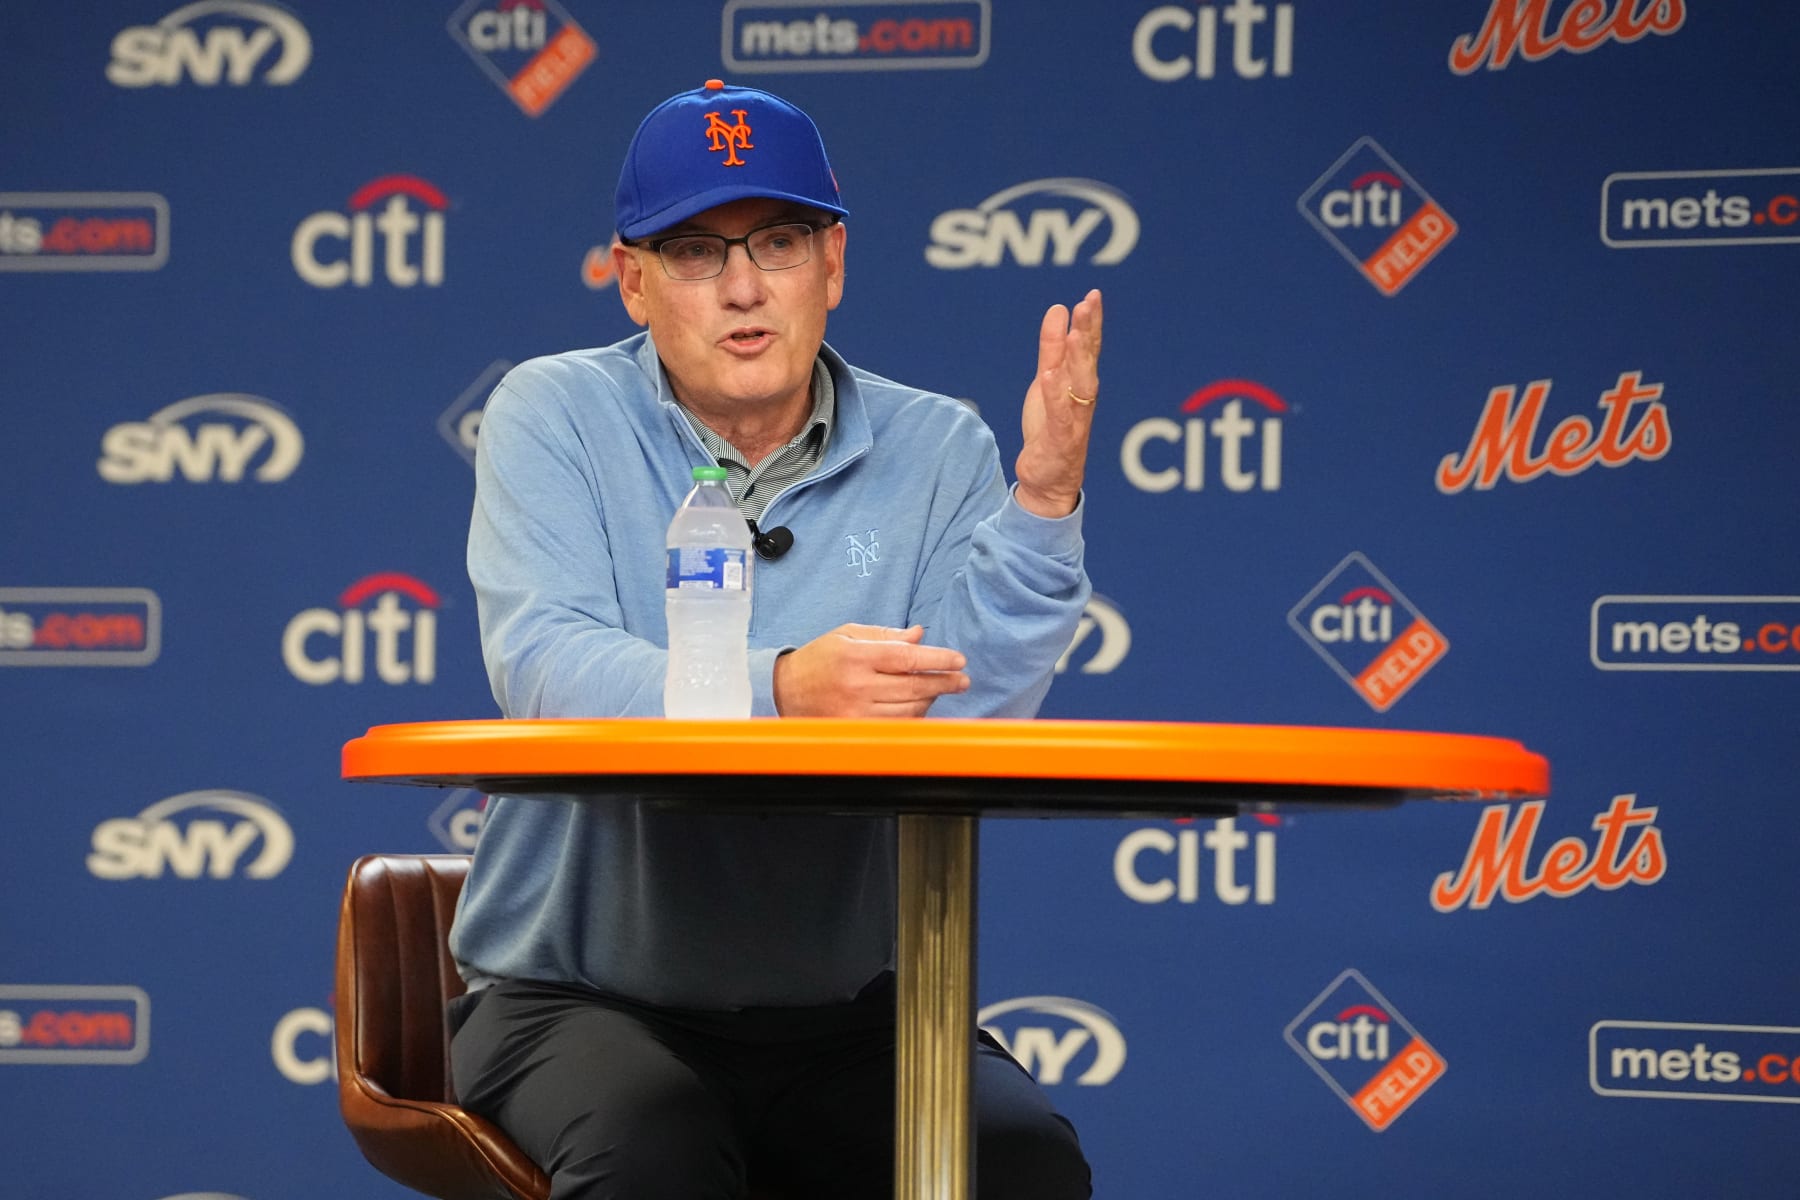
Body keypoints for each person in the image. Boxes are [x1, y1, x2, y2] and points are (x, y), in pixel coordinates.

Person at [447, 78, 1102, 1200]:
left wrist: (1041, 504)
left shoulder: (938, 443)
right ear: (633, 281)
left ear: (833, 266)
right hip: (576, 998)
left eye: (782, 242)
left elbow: (972, 713)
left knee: (1019, 1166)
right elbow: (546, 670)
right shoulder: (552, 413)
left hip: (851, 1014)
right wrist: (783, 687)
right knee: (654, 1153)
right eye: (697, 251)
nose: (745, 287)